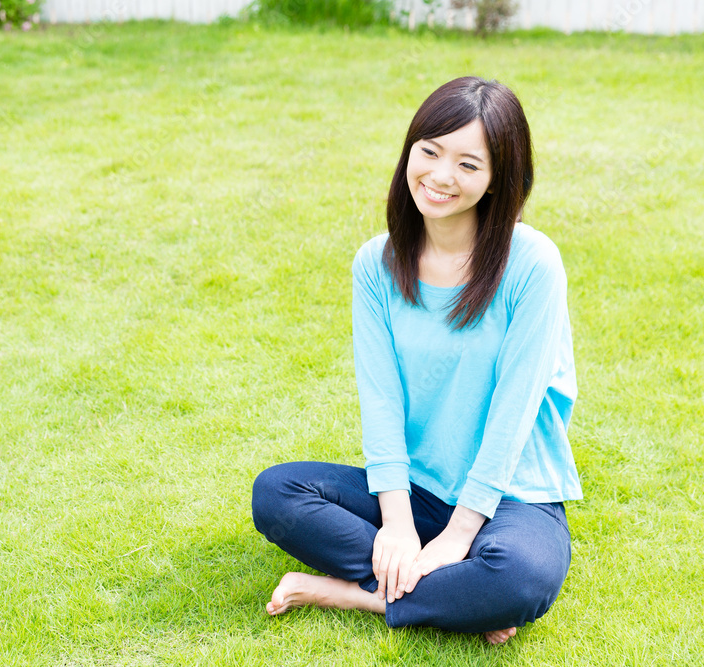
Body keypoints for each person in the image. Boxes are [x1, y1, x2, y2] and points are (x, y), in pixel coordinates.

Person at [251, 76, 582, 645]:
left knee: (520, 579)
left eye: (468, 164)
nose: (440, 176)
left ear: (500, 178)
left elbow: (514, 411)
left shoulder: (533, 264)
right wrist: (399, 526)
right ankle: (456, 598)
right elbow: (381, 399)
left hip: (512, 495)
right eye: (429, 152)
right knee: (277, 494)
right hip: (418, 489)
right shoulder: (376, 264)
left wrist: (458, 536)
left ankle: (351, 593)